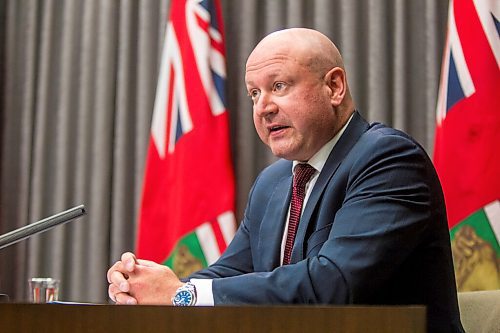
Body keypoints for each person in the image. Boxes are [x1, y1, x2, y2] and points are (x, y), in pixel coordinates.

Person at [108, 28, 464, 332]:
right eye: (254, 93)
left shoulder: (387, 160)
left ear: (334, 87)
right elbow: (229, 274)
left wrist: (181, 296)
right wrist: (151, 285)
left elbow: (332, 285)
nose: (263, 107)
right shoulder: (274, 182)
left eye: (278, 86)